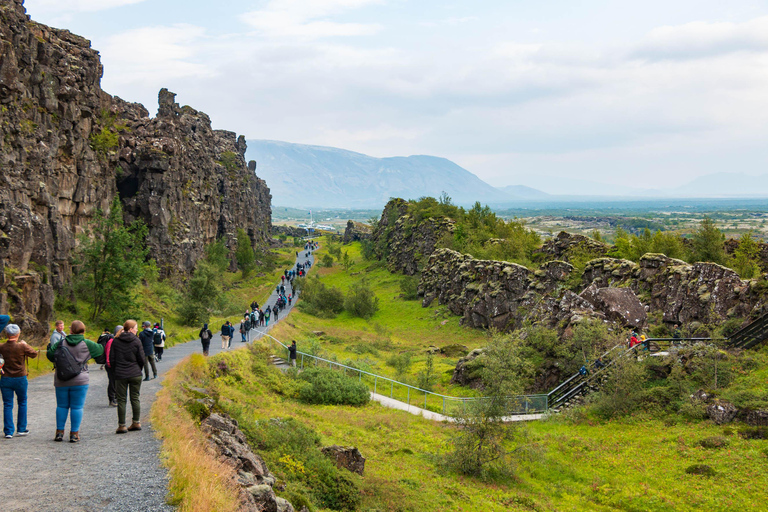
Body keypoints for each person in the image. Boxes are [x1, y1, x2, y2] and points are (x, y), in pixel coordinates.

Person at [47, 320, 104, 442]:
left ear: (71, 330)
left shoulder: (61, 343)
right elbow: (100, 350)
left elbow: (50, 355)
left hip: (61, 379)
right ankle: (74, 434)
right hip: (80, 380)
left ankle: (59, 433)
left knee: (62, 406)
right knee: (77, 407)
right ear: (83, 331)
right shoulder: (87, 343)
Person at [0, 324, 38, 438]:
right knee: (22, 402)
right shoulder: (22, 346)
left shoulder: (1, 347)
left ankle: (8, 431)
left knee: (7, 404)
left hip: (5, 378)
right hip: (20, 378)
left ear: (6, 334)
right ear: (18, 334)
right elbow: (34, 354)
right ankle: (21, 429)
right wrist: (26, 344)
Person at [110, 320, 145, 434]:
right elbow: (141, 358)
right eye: (135, 328)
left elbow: (112, 359)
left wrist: (116, 371)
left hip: (120, 374)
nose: (137, 330)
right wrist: (138, 369)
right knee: (135, 398)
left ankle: (122, 425)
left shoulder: (116, 341)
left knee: (121, 400)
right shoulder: (137, 341)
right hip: (135, 373)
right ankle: (136, 422)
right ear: (130, 329)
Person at [96, 328, 117, 407]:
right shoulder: (111, 341)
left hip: (115, 364)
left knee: (116, 382)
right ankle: (112, 399)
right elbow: (108, 352)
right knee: (112, 382)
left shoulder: (116, 340)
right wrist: (108, 363)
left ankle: (115, 398)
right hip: (110, 365)